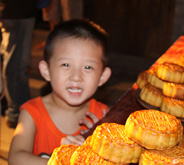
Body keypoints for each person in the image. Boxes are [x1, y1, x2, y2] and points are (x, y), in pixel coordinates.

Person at [8, 18, 112, 165]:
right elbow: (16, 158)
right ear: (46, 71)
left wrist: (102, 147)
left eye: (88, 67)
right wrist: (62, 161)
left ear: (102, 76)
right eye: (65, 64)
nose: (76, 77)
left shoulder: (102, 116)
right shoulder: (32, 113)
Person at [0, 0, 38, 128]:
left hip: (25, 11)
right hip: (12, 12)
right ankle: (16, 112)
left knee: (19, 65)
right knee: (15, 65)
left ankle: (20, 111)